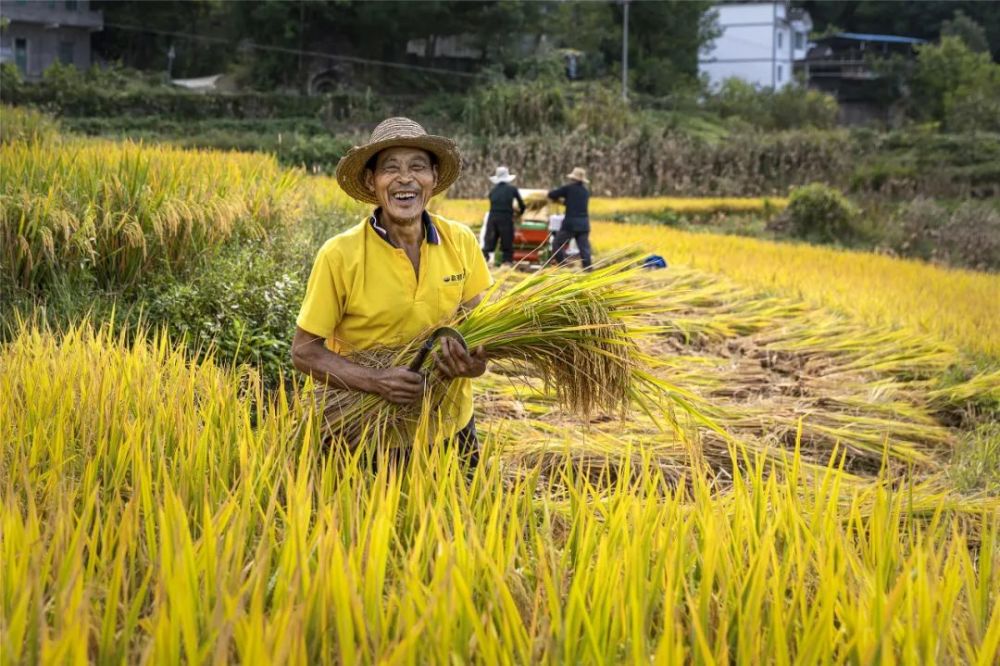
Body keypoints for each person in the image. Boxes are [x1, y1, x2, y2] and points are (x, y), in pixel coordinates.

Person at [291, 117, 492, 466]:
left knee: (463, 520)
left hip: (451, 426)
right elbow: (304, 352)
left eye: (417, 167)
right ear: (372, 181)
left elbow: (484, 325)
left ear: (432, 178)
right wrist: (376, 381)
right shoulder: (340, 255)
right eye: (390, 168)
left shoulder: (460, 240)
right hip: (368, 437)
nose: (405, 178)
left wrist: (475, 363)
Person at [547, 167, 592, 269]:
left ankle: (563, 266)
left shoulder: (569, 188)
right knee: (584, 249)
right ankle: (588, 270)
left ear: (573, 179)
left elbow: (552, 194)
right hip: (584, 225)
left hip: (570, 224)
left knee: (557, 243)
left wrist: (557, 199)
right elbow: (575, 203)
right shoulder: (585, 192)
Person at [482, 166, 525, 265]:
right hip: (506, 218)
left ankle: (484, 261)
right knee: (507, 242)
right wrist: (519, 213)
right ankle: (506, 263)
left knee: (489, 241)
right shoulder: (512, 189)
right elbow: (522, 205)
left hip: (492, 218)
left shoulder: (493, 191)